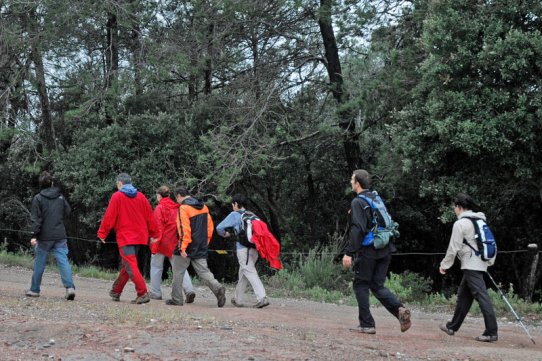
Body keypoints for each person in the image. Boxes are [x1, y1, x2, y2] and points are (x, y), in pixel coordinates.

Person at [342, 169, 411, 334]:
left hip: (370, 249)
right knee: (377, 285)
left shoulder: (358, 202)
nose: (351, 182)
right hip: (385, 246)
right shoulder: (375, 197)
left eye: (352, 180)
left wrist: (349, 252)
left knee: (360, 284)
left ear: (357, 183)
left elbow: (357, 228)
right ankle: (400, 310)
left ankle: (367, 324)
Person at [439, 193, 498, 342]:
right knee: (464, 296)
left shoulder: (460, 224)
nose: (454, 209)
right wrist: (489, 261)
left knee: (481, 296)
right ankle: (452, 326)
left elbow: (453, 247)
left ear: (458, 207)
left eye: (454, 207)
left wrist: (444, 265)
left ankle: (491, 332)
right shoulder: (479, 220)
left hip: (471, 263)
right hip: (479, 262)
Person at [97, 173, 159, 304]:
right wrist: (154, 234)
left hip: (126, 237)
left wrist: (102, 233)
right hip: (140, 237)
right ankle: (116, 291)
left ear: (120, 184)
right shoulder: (141, 196)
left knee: (131, 265)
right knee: (128, 265)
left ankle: (142, 293)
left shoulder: (117, 196)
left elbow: (109, 216)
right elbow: (150, 216)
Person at [166, 186, 226, 307]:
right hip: (201, 245)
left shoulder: (183, 208)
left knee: (178, 272)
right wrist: (205, 242)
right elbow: (209, 227)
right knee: (204, 271)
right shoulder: (203, 207)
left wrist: (182, 247)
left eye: (176, 198)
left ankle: (177, 299)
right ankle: (218, 287)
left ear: (178, 196)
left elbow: (184, 228)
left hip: (187, 245)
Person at [26, 171, 76, 300]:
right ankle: (70, 288)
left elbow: (36, 220)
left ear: (40, 184)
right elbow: (68, 211)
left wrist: (34, 236)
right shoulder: (60, 196)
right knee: (63, 260)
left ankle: (34, 290)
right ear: (52, 182)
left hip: (44, 236)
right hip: (60, 234)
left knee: (40, 262)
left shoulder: (38, 198)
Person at [216, 194, 269, 308]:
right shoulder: (252, 215)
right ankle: (237, 299)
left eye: (233, 204)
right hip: (254, 249)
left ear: (236, 204)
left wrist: (226, 234)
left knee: (249, 271)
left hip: (243, 249)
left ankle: (262, 297)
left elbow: (219, 228)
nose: (232, 206)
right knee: (243, 273)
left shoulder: (234, 215)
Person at [150, 185, 196, 303]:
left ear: (159, 196)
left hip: (162, 242)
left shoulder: (159, 208)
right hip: (175, 242)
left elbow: (158, 227)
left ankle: (155, 293)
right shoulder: (177, 207)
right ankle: (189, 290)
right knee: (179, 268)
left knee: (156, 266)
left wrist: (154, 242)